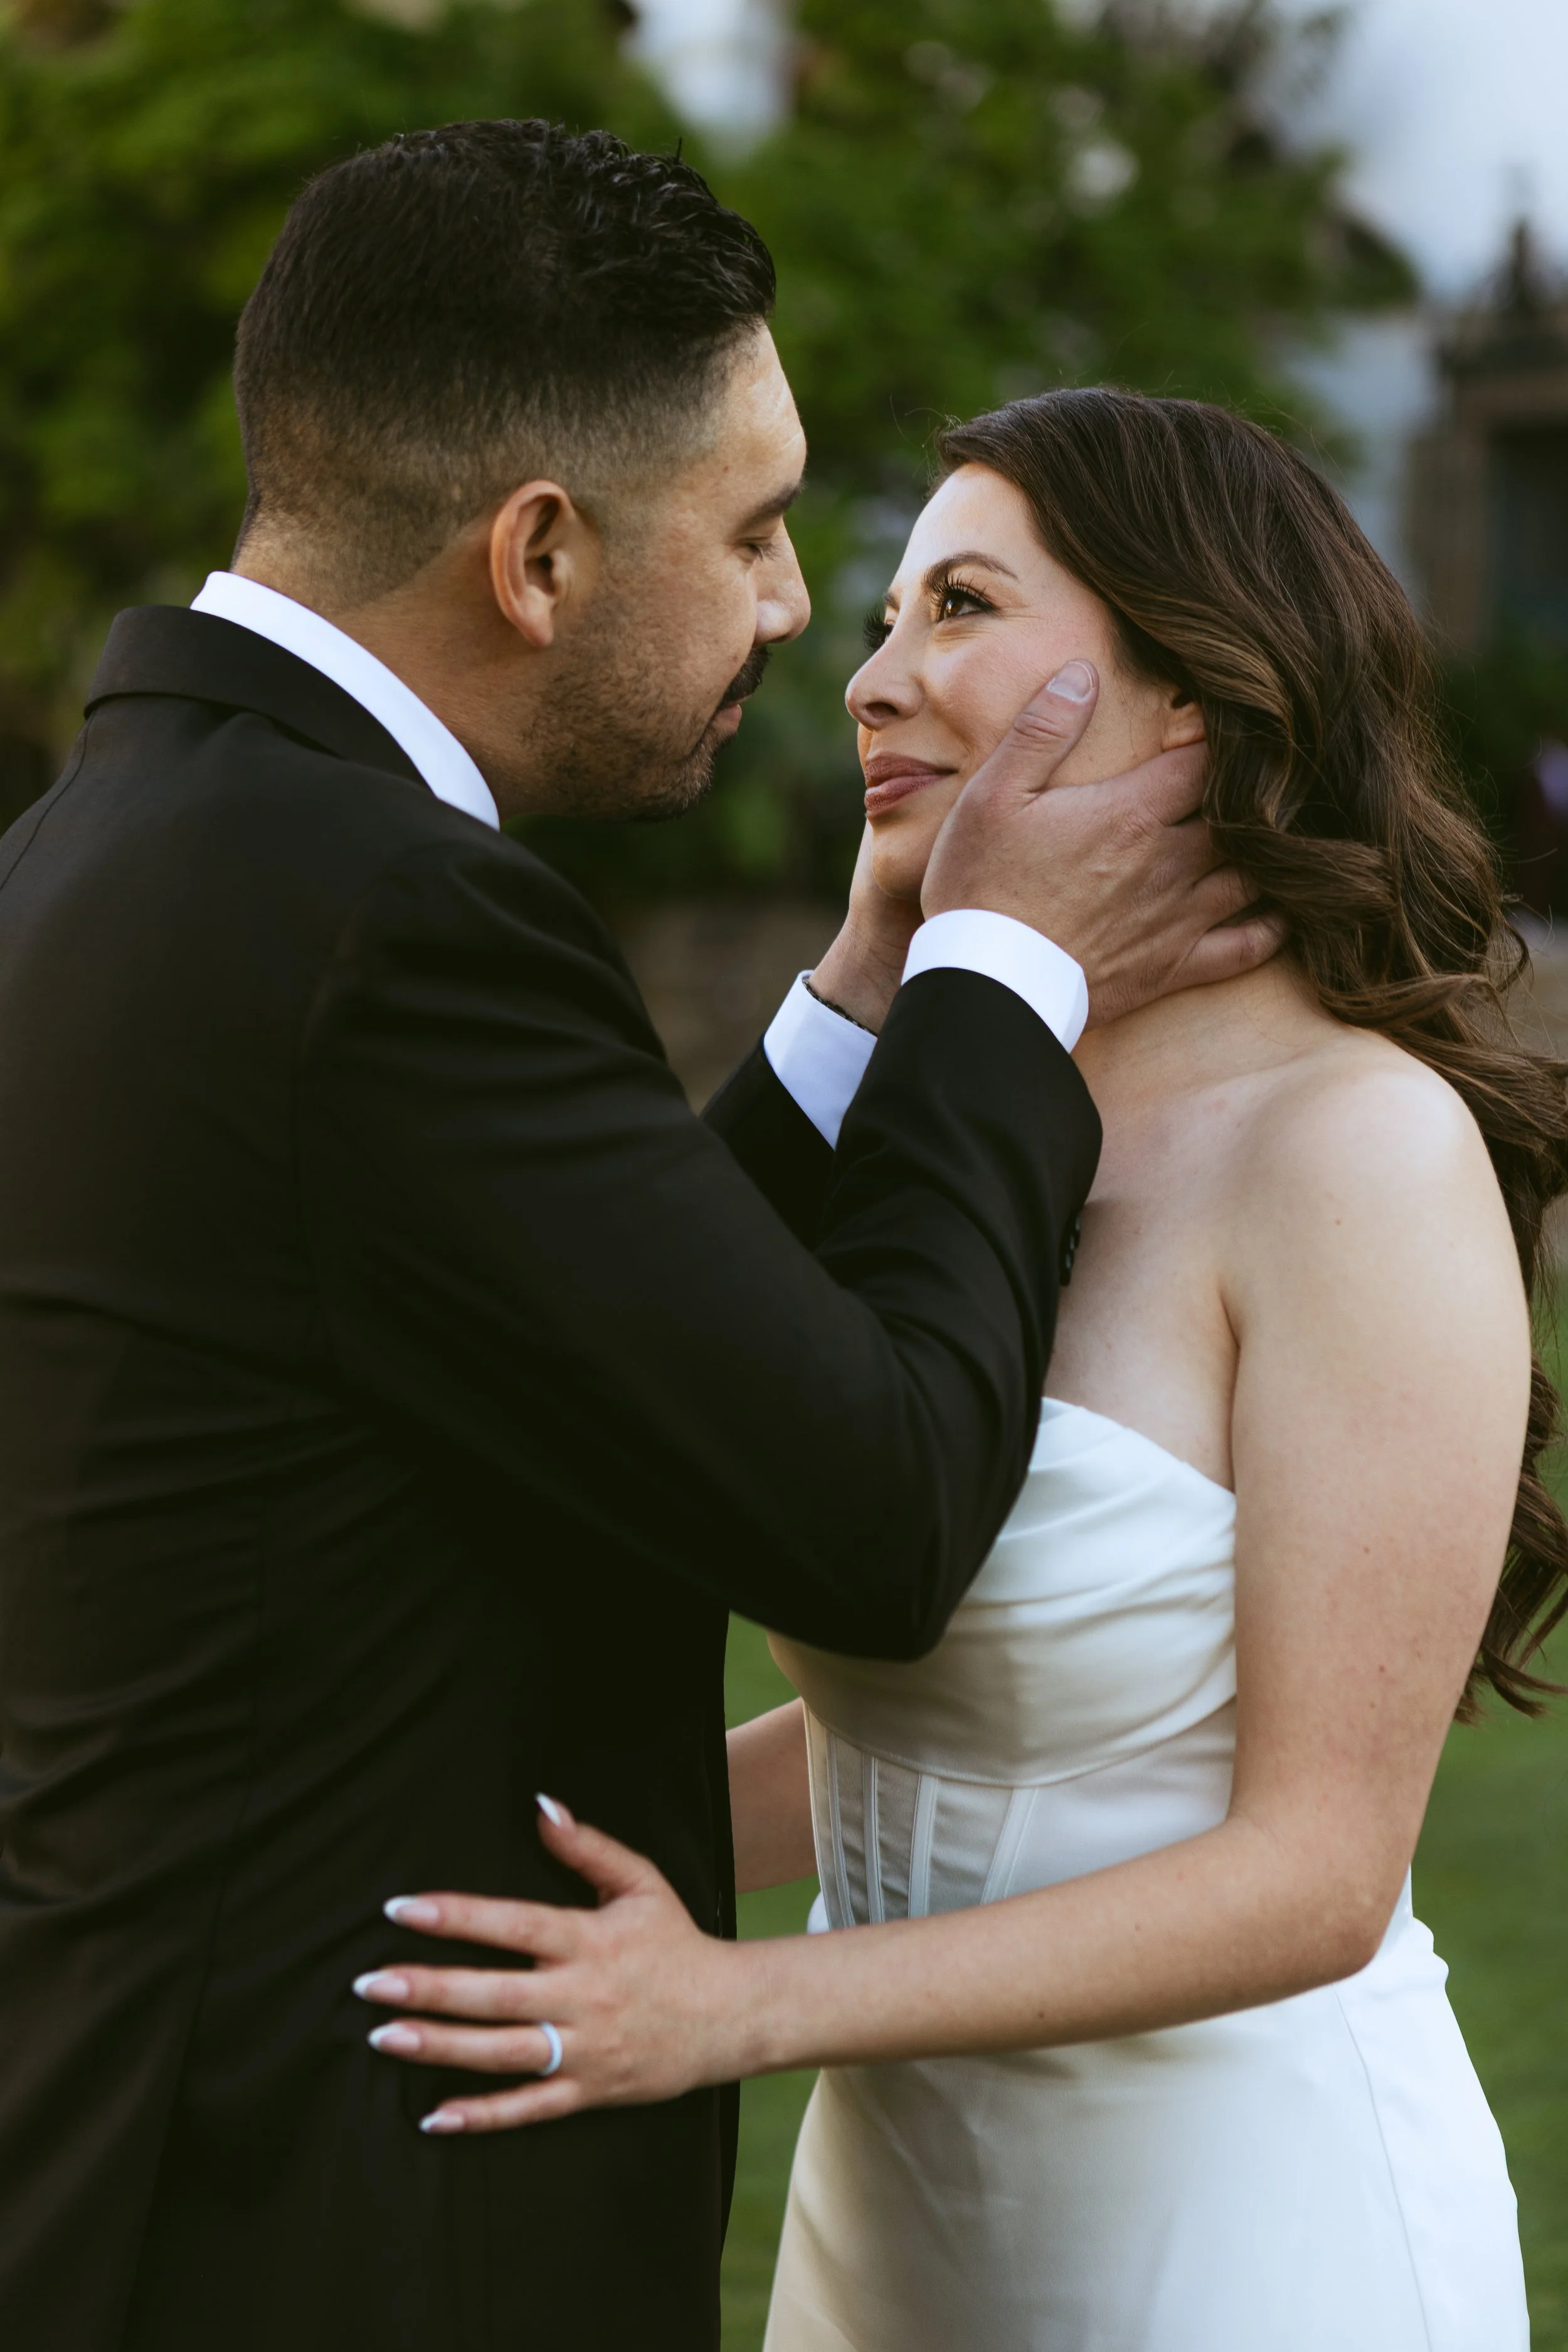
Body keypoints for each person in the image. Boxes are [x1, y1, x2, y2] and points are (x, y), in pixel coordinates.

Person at [0, 129, 1275, 2351]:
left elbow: (557, 1321)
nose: (801, 618)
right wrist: (1000, 977)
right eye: (761, 530)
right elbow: (868, 1505)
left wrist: (863, 1001)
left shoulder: (101, 855)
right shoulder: (393, 920)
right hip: (345, 2231)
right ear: (542, 554)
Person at [362, 391, 1568, 2352]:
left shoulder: (1354, 1149)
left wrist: (731, 2003)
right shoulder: (969, 1109)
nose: (870, 678)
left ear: (1190, 695)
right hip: (896, 2234)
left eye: (959, 609)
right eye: (881, 616)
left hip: (1241, 2242)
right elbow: (925, 1720)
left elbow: (1314, 1874)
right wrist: (476, 1843)